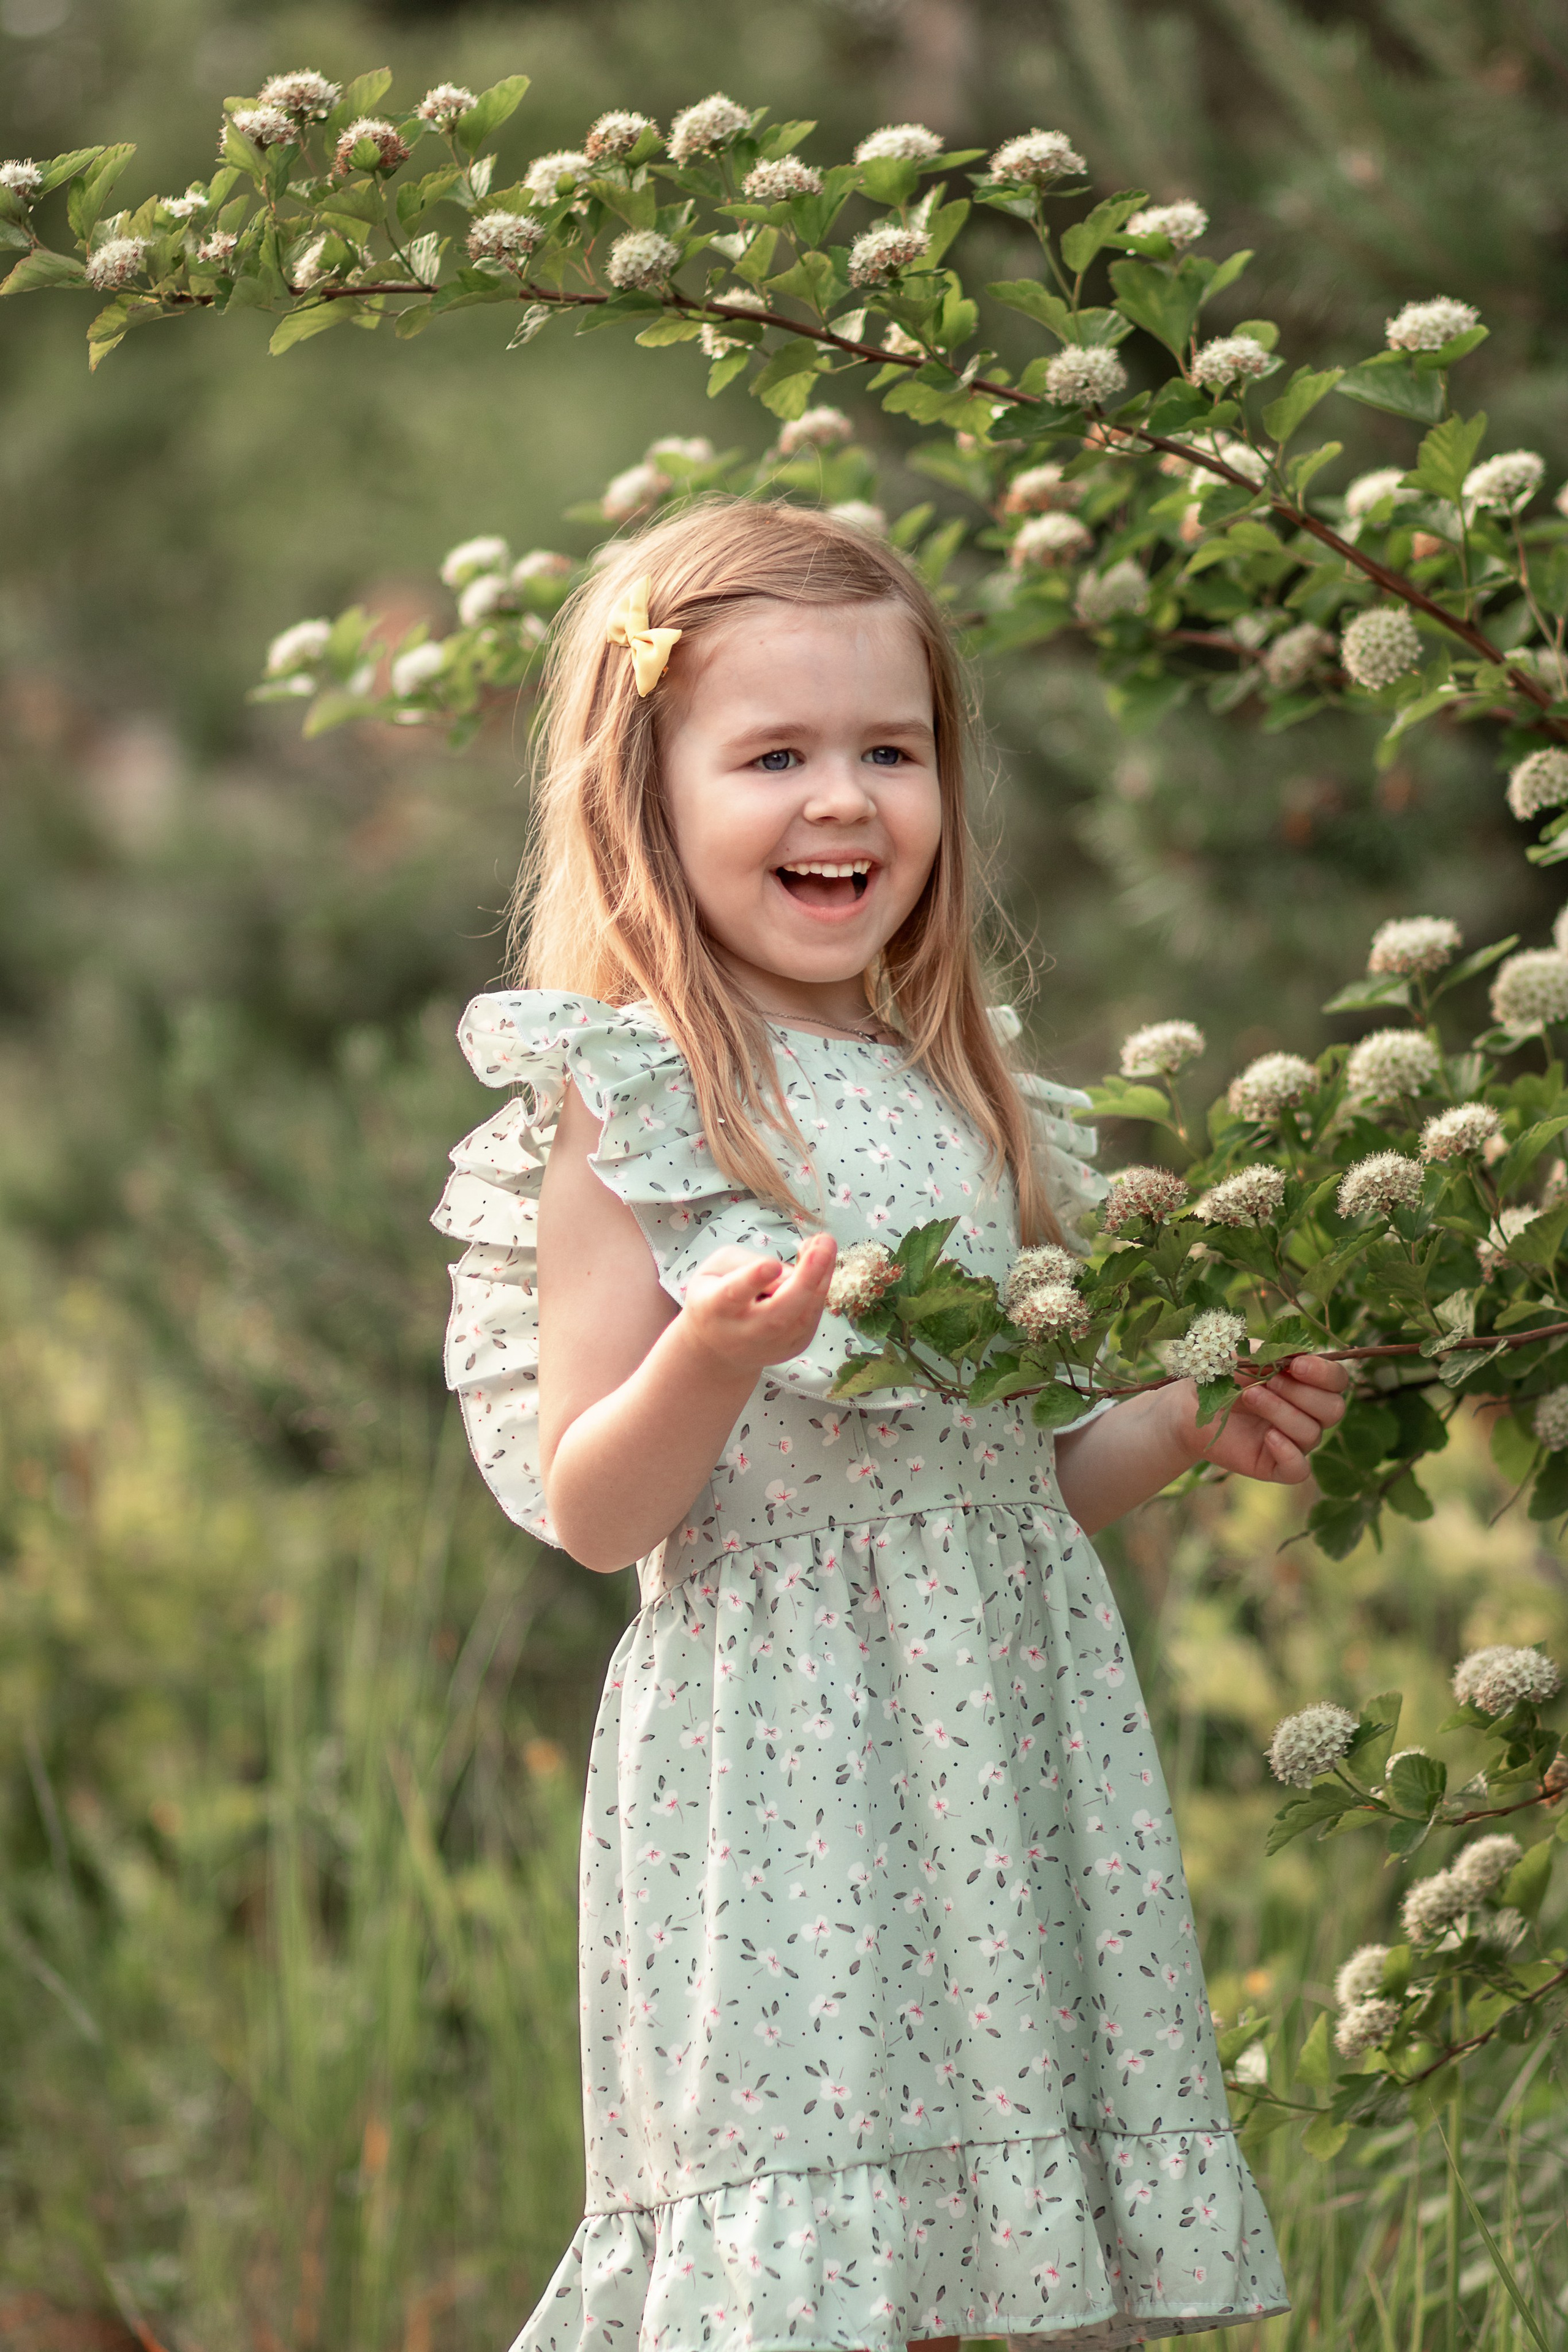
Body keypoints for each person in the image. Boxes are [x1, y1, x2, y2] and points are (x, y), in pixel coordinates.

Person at [432, 500, 1347, 2352]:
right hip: (785, 1798)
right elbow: (601, 1512)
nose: (844, 799)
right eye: (775, 755)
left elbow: (1011, 1484)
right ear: (648, 793)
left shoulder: (964, 1093)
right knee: (827, 2270)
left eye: (890, 752)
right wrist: (701, 1360)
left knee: (994, 2264)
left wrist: (1176, 1421)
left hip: (1004, 1760)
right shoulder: (644, 1096)